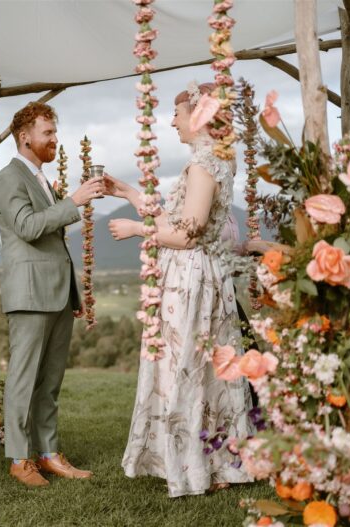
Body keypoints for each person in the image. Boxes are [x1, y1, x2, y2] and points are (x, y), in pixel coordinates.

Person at [105, 83, 254, 497]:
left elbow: (188, 234)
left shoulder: (204, 165)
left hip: (192, 279)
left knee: (186, 368)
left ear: (198, 116)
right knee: (203, 370)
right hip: (196, 275)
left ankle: (197, 465)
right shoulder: (210, 160)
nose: (171, 122)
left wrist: (137, 230)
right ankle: (214, 460)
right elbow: (177, 218)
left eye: (177, 113)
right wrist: (129, 193)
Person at [0, 102, 104, 487]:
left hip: (55, 293)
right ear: (25, 137)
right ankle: (19, 458)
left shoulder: (40, 178)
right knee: (24, 380)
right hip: (29, 295)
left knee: (50, 382)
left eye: (55, 132)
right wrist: (73, 202)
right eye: (48, 133)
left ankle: (48, 453)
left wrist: (71, 292)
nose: (55, 139)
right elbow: (26, 227)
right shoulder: (10, 178)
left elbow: (51, 238)